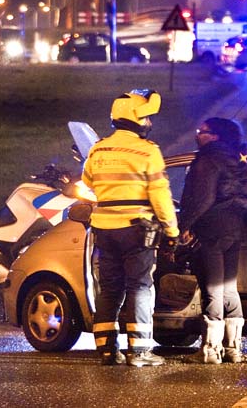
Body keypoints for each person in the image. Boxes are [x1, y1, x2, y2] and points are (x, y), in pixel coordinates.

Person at [82, 89, 180, 367]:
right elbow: (160, 197)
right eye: (147, 118)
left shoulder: (98, 148)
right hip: (136, 231)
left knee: (109, 289)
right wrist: (171, 232)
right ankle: (139, 352)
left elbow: (87, 181)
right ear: (136, 119)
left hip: (103, 229)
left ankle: (106, 350)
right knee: (140, 287)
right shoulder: (147, 151)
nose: (149, 123)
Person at [178, 117, 247, 364]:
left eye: (201, 131)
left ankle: (209, 349)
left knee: (212, 288)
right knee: (228, 287)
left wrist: (185, 225)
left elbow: (202, 198)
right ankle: (233, 348)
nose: (198, 135)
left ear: (214, 136)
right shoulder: (239, 160)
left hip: (211, 229)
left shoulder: (207, 161)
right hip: (234, 229)